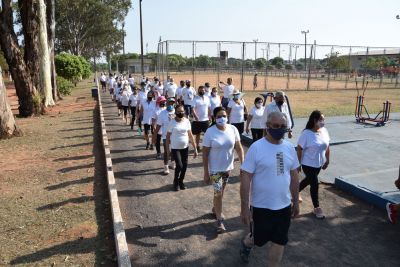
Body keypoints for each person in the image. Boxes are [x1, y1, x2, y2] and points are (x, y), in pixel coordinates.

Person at [239, 111, 300, 265]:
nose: (279, 129)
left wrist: (296, 202)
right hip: (261, 206)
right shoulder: (256, 147)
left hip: (283, 206)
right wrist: (244, 207)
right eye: (276, 126)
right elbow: (246, 177)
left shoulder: (289, 148)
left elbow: (294, 177)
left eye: (283, 126)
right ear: (267, 126)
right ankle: (246, 245)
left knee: (279, 242)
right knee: (257, 240)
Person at [203, 107, 244, 233]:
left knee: (221, 191)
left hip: (228, 168)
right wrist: (206, 172)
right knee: (218, 192)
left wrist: (244, 164)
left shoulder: (233, 129)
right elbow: (205, 153)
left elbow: (239, 147)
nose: (222, 118)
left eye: (224, 116)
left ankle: (215, 209)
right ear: (214, 118)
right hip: (215, 169)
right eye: (219, 116)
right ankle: (219, 221)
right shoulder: (210, 132)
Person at [297, 110, 330, 219]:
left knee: (308, 180)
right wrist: (298, 163)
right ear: (314, 120)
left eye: (323, 119)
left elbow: (327, 146)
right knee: (315, 183)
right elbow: (300, 148)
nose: (323, 122)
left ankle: (294, 192)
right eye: (321, 119)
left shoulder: (324, 131)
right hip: (307, 164)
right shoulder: (306, 134)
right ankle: (317, 208)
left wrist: (327, 160)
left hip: (318, 164)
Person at [166, 105, 198, 191]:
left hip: (185, 147)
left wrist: (195, 148)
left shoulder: (187, 121)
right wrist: (167, 150)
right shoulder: (172, 122)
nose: (181, 113)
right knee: (179, 165)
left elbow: (190, 135)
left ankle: (181, 181)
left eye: (182, 111)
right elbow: (168, 137)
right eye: (179, 111)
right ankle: (175, 182)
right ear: (175, 112)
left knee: (185, 166)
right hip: (175, 148)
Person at [153, 98, 177, 174]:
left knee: (174, 151)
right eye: (169, 103)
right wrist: (154, 136)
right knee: (167, 151)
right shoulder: (162, 113)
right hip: (165, 136)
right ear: (166, 103)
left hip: (175, 136)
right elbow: (158, 126)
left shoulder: (176, 112)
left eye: (172, 103)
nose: (171, 104)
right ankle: (166, 166)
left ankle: (172, 162)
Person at [192, 86, 211, 151]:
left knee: (207, 134)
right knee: (197, 134)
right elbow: (193, 108)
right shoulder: (195, 98)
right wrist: (195, 116)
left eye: (203, 90)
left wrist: (209, 116)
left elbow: (209, 108)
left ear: (204, 91)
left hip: (205, 120)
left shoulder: (207, 98)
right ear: (198, 91)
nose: (202, 91)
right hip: (197, 120)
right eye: (200, 90)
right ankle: (197, 146)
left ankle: (206, 146)